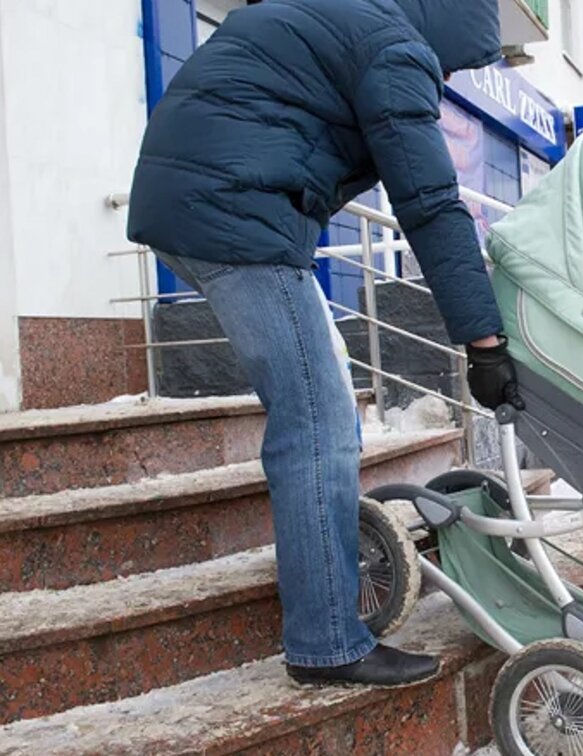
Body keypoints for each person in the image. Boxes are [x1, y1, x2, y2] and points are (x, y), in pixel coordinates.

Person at [127, 0, 523, 688]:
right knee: (317, 422)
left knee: (324, 391)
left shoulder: (349, 15)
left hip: (204, 199)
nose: (449, 73)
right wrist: (483, 343)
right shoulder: (395, 49)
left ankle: (325, 579)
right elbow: (429, 204)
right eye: (459, 59)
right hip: (234, 212)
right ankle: (327, 641)